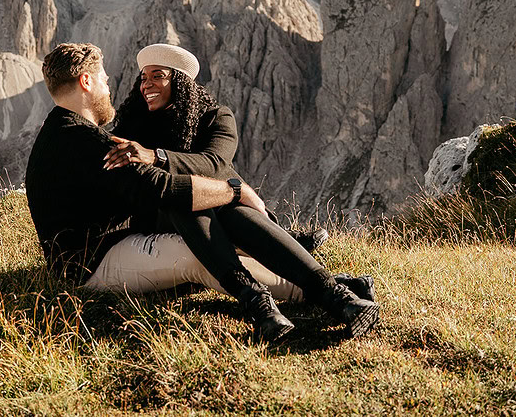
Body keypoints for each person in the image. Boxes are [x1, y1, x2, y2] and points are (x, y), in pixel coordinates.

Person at [25, 42, 381, 342]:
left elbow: (206, 163)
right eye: (104, 80)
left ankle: (335, 295)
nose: (110, 87)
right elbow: (163, 189)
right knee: (194, 240)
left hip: (117, 243)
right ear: (86, 81)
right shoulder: (83, 140)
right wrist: (234, 189)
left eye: (156, 76)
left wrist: (223, 193)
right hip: (87, 266)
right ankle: (304, 295)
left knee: (206, 213)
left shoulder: (69, 133)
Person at [105, 43, 373, 302]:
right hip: (164, 221)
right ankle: (330, 278)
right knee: (204, 204)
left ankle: (332, 289)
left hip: (214, 213)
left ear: (180, 82)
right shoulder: (132, 126)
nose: (146, 84)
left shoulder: (216, 117)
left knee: (219, 207)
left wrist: (155, 156)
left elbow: (213, 162)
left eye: (158, 76)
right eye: (143, 78)